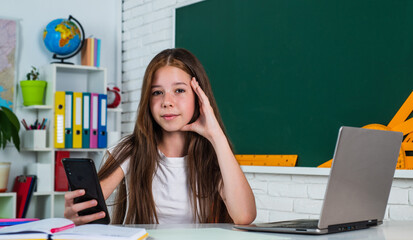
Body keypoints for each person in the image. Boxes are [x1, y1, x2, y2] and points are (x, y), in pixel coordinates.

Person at [64, 48, 256, 225]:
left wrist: (216, 135)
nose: (166, 102)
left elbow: (244, 216)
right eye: (157, 92)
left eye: (179, 90)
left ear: (199, 97)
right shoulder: (131, 150)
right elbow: (87, 208)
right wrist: (78, 214)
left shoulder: (212, 155)